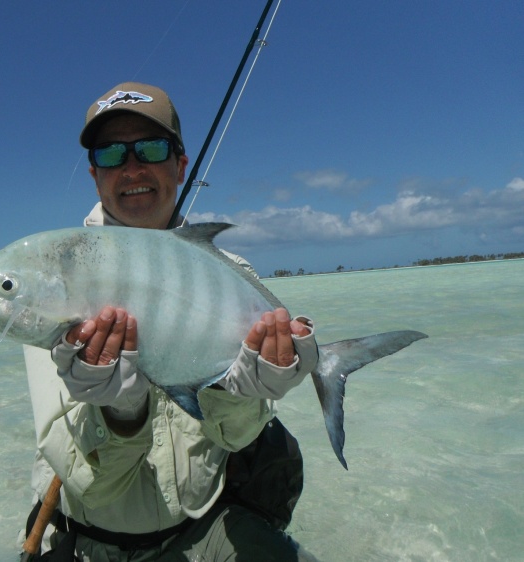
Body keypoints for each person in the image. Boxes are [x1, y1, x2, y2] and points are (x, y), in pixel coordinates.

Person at [19, 82, 321, 561]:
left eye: (152, 149)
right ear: (95, 175)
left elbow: (235, 438)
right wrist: (120, 412)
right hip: (89, 542)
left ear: (180, 167)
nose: (133, 168)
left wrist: (240, 392)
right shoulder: (58, 279)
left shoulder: (231, 271)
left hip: (204, 530)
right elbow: (87, 482)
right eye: (112, 153)